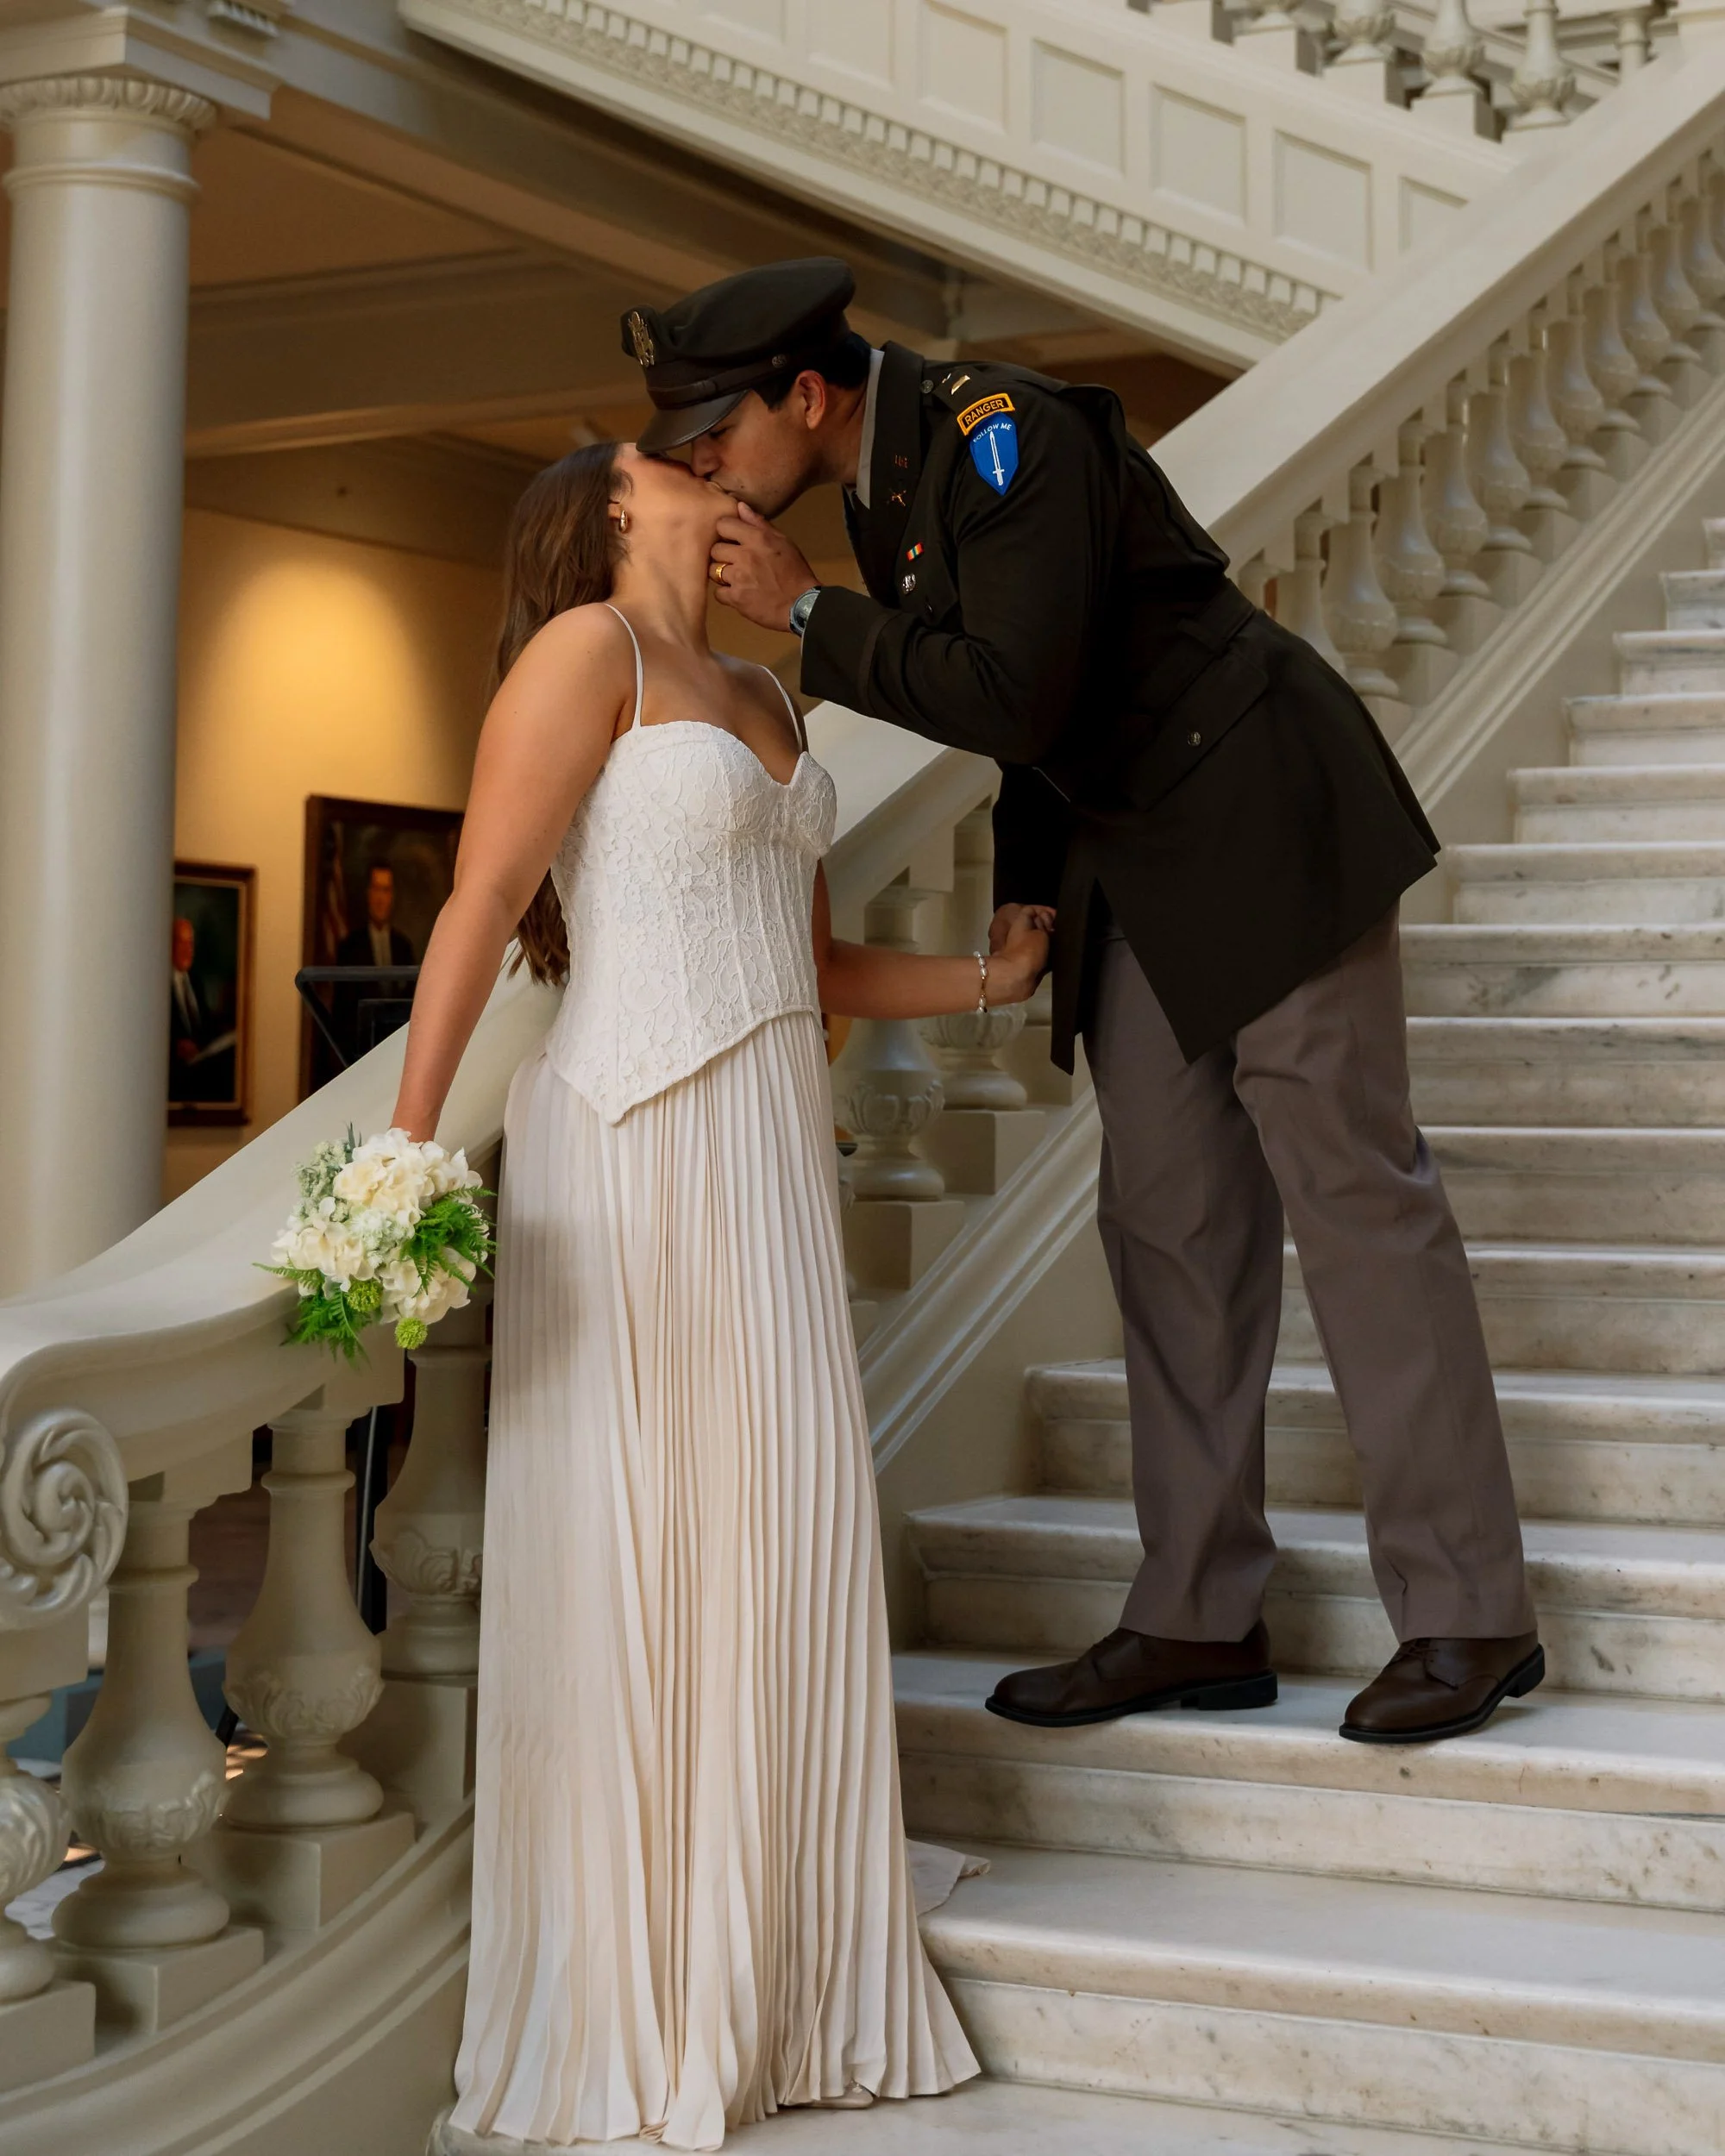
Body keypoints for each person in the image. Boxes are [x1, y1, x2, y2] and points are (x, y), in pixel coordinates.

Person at [630, 254, 1543, 1748]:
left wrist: (809, 616)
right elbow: (1038, 726)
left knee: (1358, 1209)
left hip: (1258, 812)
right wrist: (1030, 873)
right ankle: (1198, 1612)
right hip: (1129, 850)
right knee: (1167, 1225)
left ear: (804, 396)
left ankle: (1468, 1616)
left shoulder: (1008, 430)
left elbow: (1016, 691)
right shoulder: (880, 482)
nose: (698, 470)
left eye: (712, 438)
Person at [391, 440, 1039, 2147]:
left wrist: (985, 975)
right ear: (612, 508)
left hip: (762, 1155)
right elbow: (483, 896)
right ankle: (643, 1982)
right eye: (673, 456)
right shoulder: (579, 656)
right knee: (648, 1538)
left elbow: (813, 965)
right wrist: (397, 1157)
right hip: (631, 1137)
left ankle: (781, 1968)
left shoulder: (763, 684)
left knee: (778, 1534)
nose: (718, 467)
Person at [336, 860, 416, 972]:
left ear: (392, 897)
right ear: (368, 893)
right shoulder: (349, 948)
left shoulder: (404, 948)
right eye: (376, 889)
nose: (380, 899)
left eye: (386, 890)